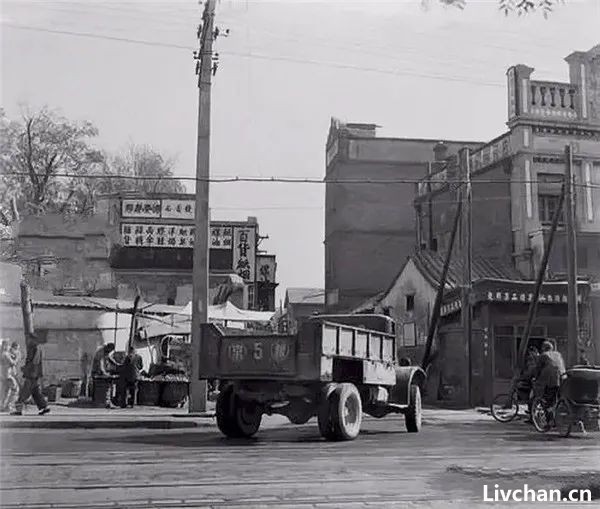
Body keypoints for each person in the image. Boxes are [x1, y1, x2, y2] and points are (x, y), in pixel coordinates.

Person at [11, 335, 49, 416]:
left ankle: (18, 409)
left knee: (24, 392)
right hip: (35, 374)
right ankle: (44, 407)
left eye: (29, 339)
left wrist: (25, 369)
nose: (28, 341)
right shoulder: (37, 348)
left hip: (31, 374)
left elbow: (33, 362)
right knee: (36, 392)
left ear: (33, 340)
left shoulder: (34, 349)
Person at [533, 340, 566, 408]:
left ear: (543, 348)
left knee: (545, 394)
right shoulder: (558, 354)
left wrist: (535, 378)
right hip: (562, 379)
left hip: (550, 380)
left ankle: (547, 409)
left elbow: (538, 368)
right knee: (556, 395)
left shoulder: (544, 355)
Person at [91, 343, 119, 408]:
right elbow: (100, 365)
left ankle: (105, 401)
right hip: (97, 371)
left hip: (103, 371)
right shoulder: (100, 353)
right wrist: (105, 374)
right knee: (97, 386)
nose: (109, 352)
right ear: (107, 348)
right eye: (109, 351)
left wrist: (117, 364)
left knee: (107, 386)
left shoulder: (106, 351)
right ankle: (98, 401)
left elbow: (109, 358)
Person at [2, 342, 21, 412]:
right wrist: (17, 358)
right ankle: (9, 406)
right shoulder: (5, 354)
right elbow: (13, 363)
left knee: (6, 391)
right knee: (15, 389)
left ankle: (3, 406)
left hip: (4, 375)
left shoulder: (5, 354)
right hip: (7, 375)